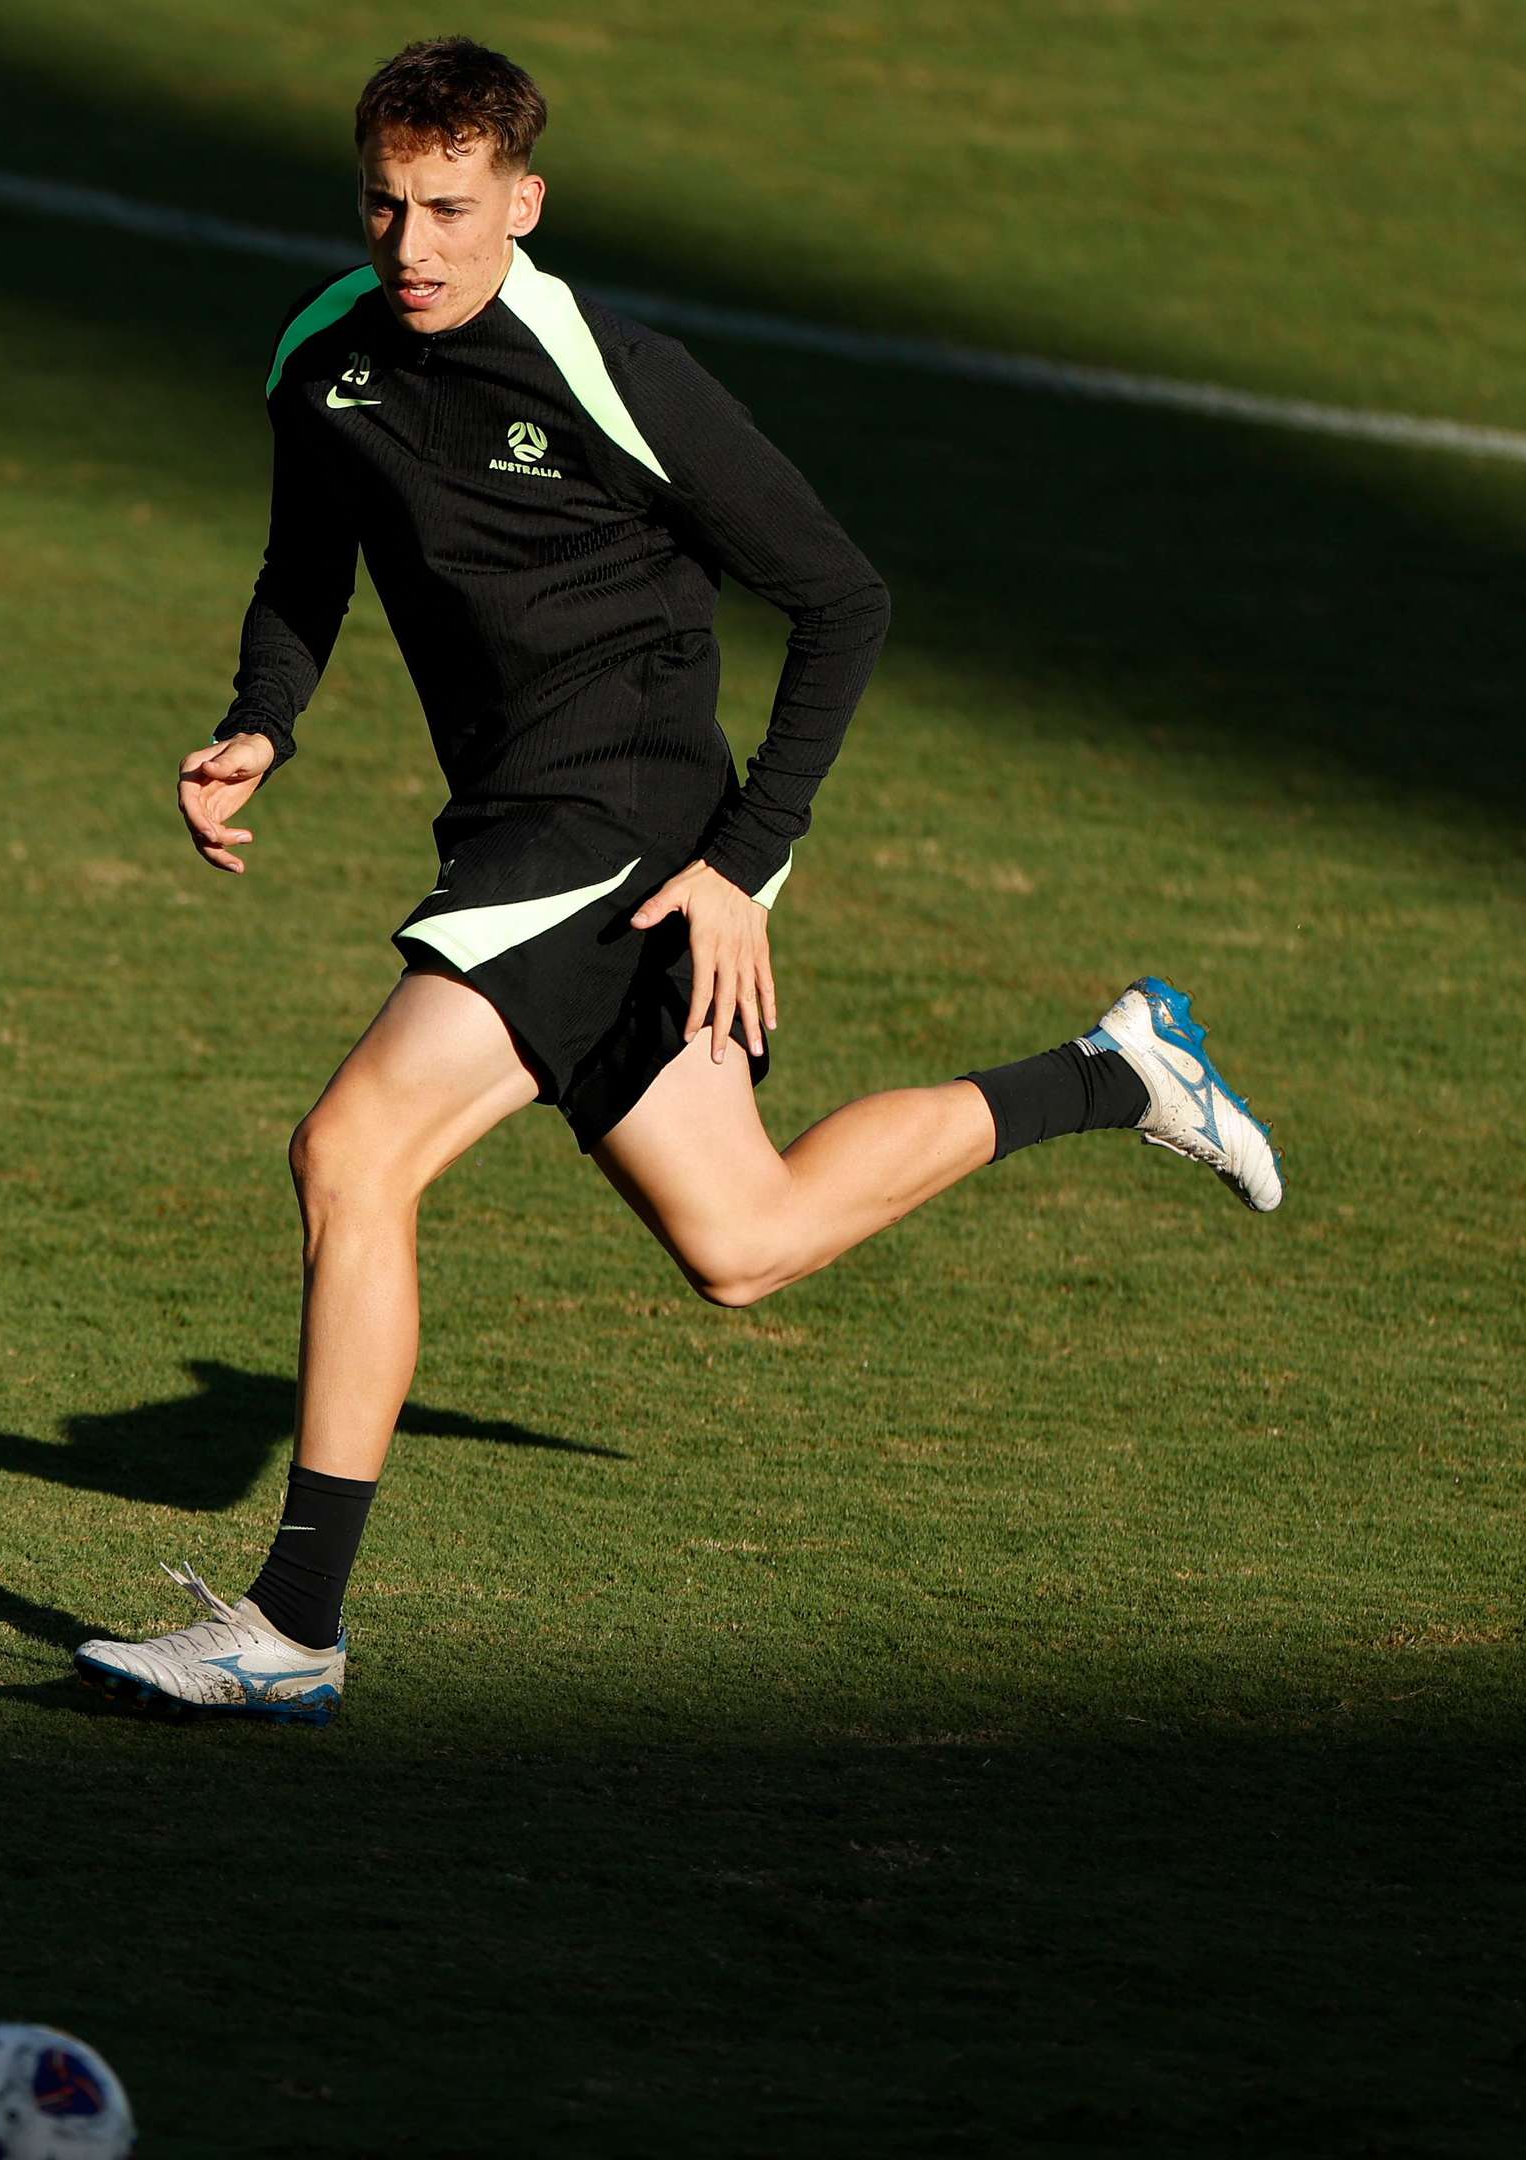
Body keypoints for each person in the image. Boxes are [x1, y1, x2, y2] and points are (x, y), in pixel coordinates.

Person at [70, 37, 1279, 1724]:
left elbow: (844, 603)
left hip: (624, 825)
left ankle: (292, 1630)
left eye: (449, 209)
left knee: (351, 1151)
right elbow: (307, 564)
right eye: (384, 204)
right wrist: (260, 723)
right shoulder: (321, 354)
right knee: (748, 1241)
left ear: (523, 204)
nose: (410, 245)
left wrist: (741, 864)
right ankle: (1121, 1068)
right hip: (524, 830)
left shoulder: (618, 369)